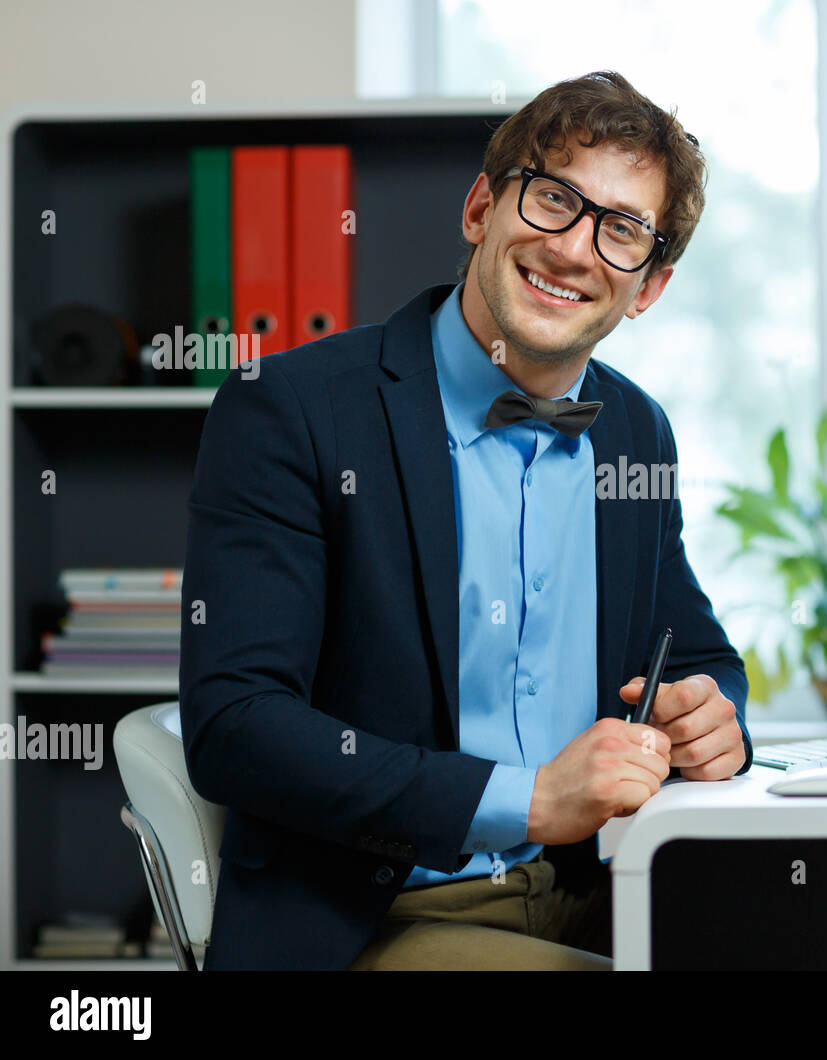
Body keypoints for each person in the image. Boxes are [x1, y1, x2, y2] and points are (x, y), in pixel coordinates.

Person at [179, 70, 753, 971]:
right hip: (374, 920)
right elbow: (236, 727)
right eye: (554, 198)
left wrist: (717, 720)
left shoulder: (637, 431)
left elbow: (698, 657)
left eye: (622, 229)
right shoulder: (291, 409)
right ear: (482, 207)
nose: (574, 249)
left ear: (648, 287)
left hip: (606, 894)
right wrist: (527, 800)